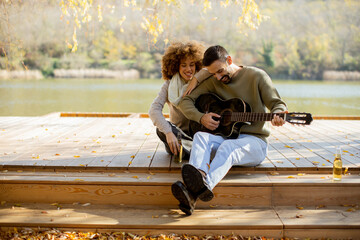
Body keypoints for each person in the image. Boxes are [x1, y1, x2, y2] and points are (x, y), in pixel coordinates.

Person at [171, 45, 288, 215]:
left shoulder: (256, 76)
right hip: (230, 137)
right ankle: (199, 176)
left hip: (255, 143)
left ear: (230, 60)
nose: (218, 77)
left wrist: (278, 114)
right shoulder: (214, 80)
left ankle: (201, 187)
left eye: (220, 71)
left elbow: (277, 104)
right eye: (213, 74)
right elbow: (185, 101)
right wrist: (201, 117)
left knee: (228, 148)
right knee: (201, 136)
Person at [149, 41, 206, 161]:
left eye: (192, 64)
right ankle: (192, 151)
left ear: (197, 65)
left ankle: (189, 151)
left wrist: (197, 79)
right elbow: (154, 110)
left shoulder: (203, 81)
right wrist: (169, 133)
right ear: (176, 66)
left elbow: (211, 71)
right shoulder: (169, 85)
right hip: (177, 136)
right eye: (183, 65)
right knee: (161, 130)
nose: (188, 69)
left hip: (199, 135)